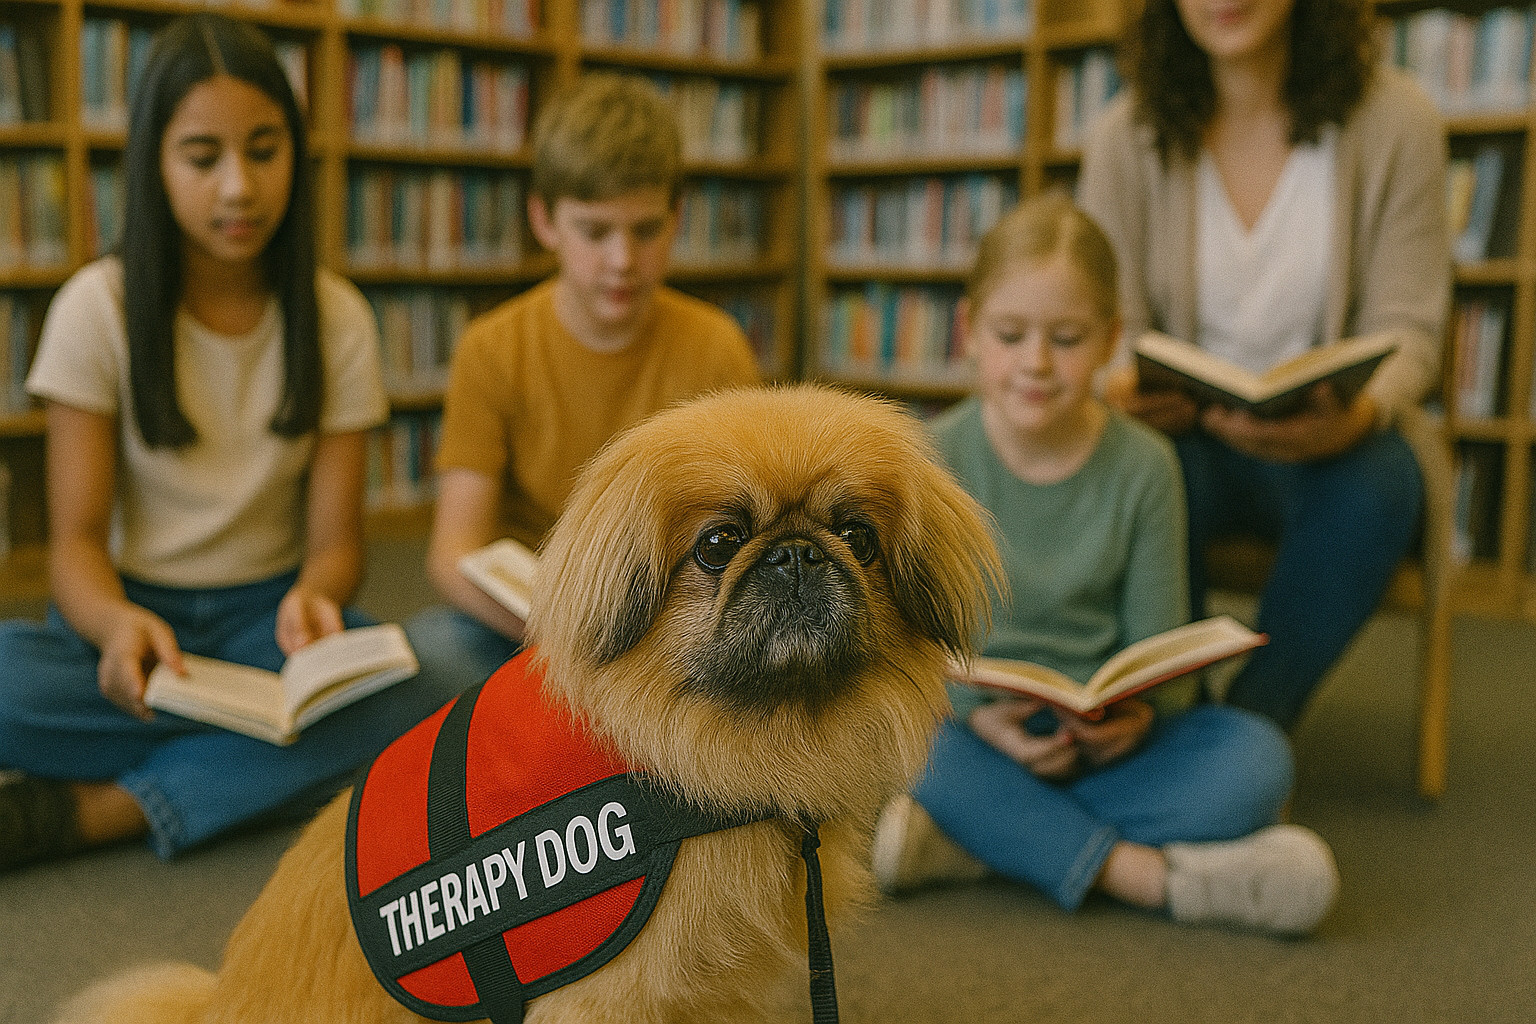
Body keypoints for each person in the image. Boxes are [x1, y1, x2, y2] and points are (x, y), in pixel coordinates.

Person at [0, 14, 457, 871]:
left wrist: (315, 596)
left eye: (264, 150)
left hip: (267, 628)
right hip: (132, 624)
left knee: (420, 689)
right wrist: (116, 626)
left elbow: (337, 548)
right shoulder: (94, 309)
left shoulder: (338, 318)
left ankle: (99, 812)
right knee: (6, 684)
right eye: (202, 157)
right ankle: (253, 762)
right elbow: (74, 546)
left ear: (296, 154)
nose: (239, 188)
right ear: (154, 164)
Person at [872, 194, 1339, 935]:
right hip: (974, 736)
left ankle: (978, 843)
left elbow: (1161, 653)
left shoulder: (1146, 466)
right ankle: (1150, 878)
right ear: (969, 331)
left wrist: (1137, 716)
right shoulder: (933, 460)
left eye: (1067, 338)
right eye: (1011, 335)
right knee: (902, 744)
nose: (1036, 362)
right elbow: (908, 654)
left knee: (1257, 761)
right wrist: (981, 720)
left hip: (1108, 745)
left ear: (1110, 340)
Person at [1078, 0, 1449, 730]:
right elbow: (1104, 315)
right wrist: (1121, 380)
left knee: (1383, 483)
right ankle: (1179, 712)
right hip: (1186, 437)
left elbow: (1409, 327)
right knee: (1141, 469)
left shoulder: (1398, 120)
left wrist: (1359, 413)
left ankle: (1249, 726)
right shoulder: (1125, 135)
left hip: (1334, 442)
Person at [403, 74, 761, 692]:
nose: (622, 260)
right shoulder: (493, 347)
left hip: (665, 628)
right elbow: (454, 551)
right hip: (529, 623)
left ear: (676, 219)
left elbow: (746, 530)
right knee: (423, 653)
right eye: (595, 232)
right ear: (544, 221)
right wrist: (568, 638)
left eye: (645, 230)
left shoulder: (716, 347)